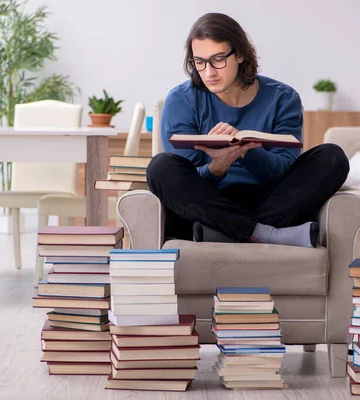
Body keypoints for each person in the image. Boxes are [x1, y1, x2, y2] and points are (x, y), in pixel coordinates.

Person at [146, 13, 349, 248]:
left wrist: (245, 152)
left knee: (332, 157)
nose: (208, 72)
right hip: (207, 203)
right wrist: (216, 168)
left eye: (218, 59)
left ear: (240, 54)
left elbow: (283, 168)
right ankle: (262, 233)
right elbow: (186, 177)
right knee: (160, 167)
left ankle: (224, 232)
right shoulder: (181, 100)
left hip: (267, 200)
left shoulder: (283, 98)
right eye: (199, 62)